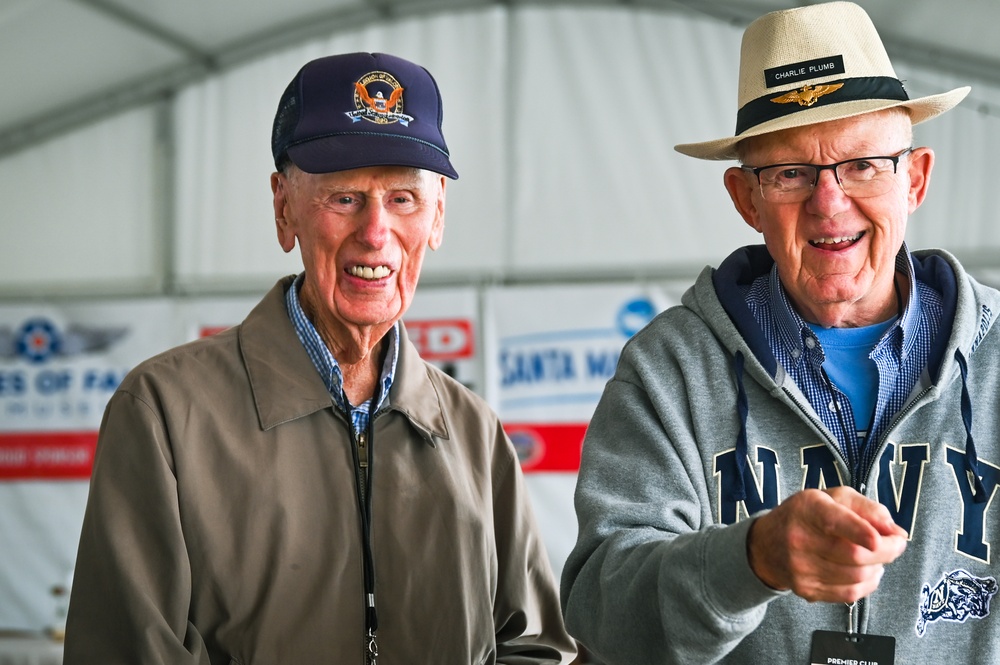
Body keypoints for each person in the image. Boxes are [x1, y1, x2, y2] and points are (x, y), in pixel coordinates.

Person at [64, 52, 575, 664]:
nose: (376, 233)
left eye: (404, 199)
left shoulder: (475, 433)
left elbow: (534, 647)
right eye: (345, 198)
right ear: (285, 209)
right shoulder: (164, 413)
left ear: (438, 215)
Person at [561, 2, 1000, 664]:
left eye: (863, 164)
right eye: (791, 173)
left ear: (914, 178)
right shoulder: (670, 371)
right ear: (747, 200)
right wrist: (750, 559)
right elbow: (602, 612)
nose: (829, 203)